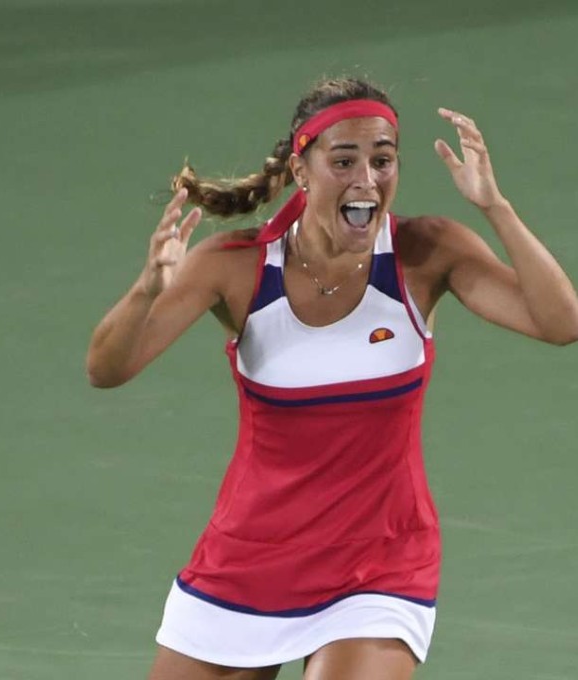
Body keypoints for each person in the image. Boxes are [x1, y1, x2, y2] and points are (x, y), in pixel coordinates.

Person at [85, 77, 578, 680]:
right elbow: (107, 370)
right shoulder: (236, 268)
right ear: (302, 171)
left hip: (380, 563)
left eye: (382, 159)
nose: (366, 179)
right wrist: (145, 291)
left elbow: (560, 323)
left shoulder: (427, 254)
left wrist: (493, 206)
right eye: (343, 161)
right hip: (250, 556)